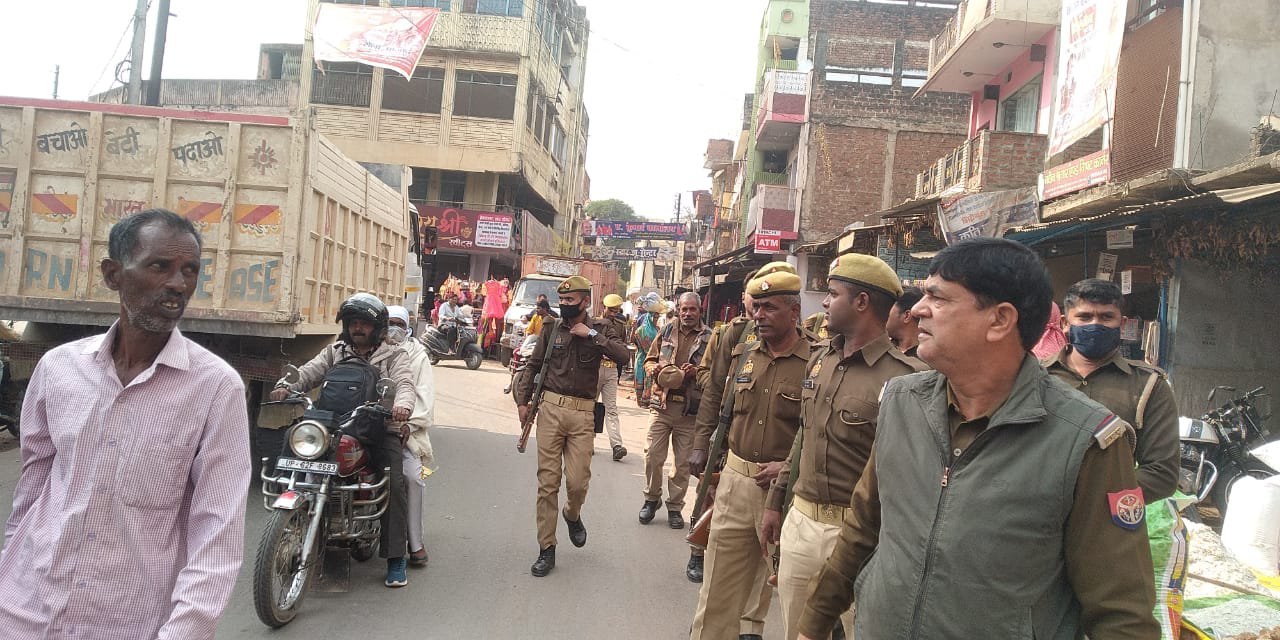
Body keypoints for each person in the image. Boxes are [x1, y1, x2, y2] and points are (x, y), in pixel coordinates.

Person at [797, 238, 1158, 640]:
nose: (917, 309)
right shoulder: (902, 401)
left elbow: (1121, 613)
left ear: (1000, 320)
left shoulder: (1086, 440)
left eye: (938, 297)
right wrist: (814, 623)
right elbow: (863, 529)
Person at [0, 209, 251, 638]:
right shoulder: (58, 368)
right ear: (113, 274)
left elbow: (218, 531)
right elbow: (34, 486)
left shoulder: (215, 388)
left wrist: (184, 631)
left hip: (127, 621)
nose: (178, 284)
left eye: (190, 270)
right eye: (160, 266)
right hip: (26, 609)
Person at [760, 254, 927, 640]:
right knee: (798, 631)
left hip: (862, 536)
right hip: (802, 523)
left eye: (833, 294)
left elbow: (910, 472)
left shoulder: (908, 379)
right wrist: (775, 501)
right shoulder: (821, 361)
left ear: (862, 302)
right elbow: (804, 436)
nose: (823, 301)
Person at [689, 269, 812, 640]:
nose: (759, 315)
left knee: (793, 594)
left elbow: (818, 431)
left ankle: (752, 628)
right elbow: (715, 397)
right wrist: (701, 444)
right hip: (735, 482)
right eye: (756, 307)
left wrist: (788, 467)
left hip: (785, 492)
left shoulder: (818, 360)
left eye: (769, 307)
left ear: (794, 311)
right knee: (716, 593)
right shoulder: (743, 351)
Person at [271, 293, 416, 587]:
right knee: (293, 441)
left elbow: (405, 383)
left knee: (394, 482)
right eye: (353, 323)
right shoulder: (335, 351)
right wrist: (286, 386)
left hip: (377, 428)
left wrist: (402, 406)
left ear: (377, 328)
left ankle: (395, 557)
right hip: (333, 426)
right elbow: (307, 373)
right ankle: (285, 516)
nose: (357, 328)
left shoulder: (394, 355)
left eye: (364, 323)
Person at [515, 276, 629, 577]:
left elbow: (623, 356)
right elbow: (533, 365)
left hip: (583, 414)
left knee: (577, 483)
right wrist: (522, 401)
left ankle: (572, 513)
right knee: (547, 482)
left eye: (570, 300)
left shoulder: (602, 328)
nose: (564, 304)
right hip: (550, 410)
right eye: (562, 300)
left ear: (585, 302)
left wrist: (591, 335)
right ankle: (546, 548)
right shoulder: (551, 328)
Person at [686, 261, 792, 585]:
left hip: (769, 465)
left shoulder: (807, 348)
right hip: (727, 441)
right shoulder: (733, 334)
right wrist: (701, 444)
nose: (758, 306)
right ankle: (697, 553)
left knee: (765, 551)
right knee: (709, 500)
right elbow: (713, 391)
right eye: (754, 296)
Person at [1043, 279, 1180, 502]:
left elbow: (1162, 474)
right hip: (1039, 513)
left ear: (1122, 323)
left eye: (1106, 317)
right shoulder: (1038, 378)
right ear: (1065, 323)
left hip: (1106, 518)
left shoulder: (1149, 386)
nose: (1095, 325)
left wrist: (1096, 497)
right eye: (1084, 317)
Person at [640, 292, 712, 529]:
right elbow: (649, 359)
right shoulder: (667, 330)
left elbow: (714, 373)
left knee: (682, 463)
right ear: (678, 310)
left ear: (700, 311)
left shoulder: (711, 337)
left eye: (692, 309)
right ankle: (651, 499)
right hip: (662, 405)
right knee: (652, 454)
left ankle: (674, 507)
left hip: (689, 411)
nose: (688, 313)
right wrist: (654, 370)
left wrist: (696, 372)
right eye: (684, 309)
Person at [387, 305, 435, 568]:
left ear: (408, 328)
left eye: (399, 324)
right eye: (389, 323)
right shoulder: (373, 349)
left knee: (413, 477)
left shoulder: (417, 356)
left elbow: (423, 399)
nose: (393, 329)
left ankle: (414, 542)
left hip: (405, 431)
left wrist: (407, 425)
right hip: (367, 425)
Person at [600, 293, 630, 461]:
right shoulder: (594, 323)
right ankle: (587, 441)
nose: (613, 314)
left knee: (611, 409)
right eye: (611, 310)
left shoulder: (620, 326)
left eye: (616, 311)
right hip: (594, 369)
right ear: (604, 307)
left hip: (611, 370)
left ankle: (617, 445)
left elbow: (622, 348)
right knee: (589, 406)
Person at [632, 293, 665, 408]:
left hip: (653, 362)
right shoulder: (641, 330)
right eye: (654, 317)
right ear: (650, 316)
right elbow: (647, 350)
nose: (656, 319)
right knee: (642, 385)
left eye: (657, 317)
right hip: (643, 360)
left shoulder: (657, 329)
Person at [884, 285, 924, 357]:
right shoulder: (880, 350)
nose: (881, 314)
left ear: (906, 316)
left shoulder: (928, 358)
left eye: (888, 307)